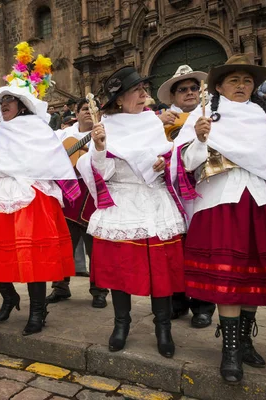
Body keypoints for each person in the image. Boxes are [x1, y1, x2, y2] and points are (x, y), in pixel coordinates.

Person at [179, 54, 266, 384]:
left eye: (247, 81)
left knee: (256, 274)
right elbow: (187, 163)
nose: (242, 86)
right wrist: (200, 138)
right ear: (219, 86)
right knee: (230, 279)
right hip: (222, 201)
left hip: (262, 201)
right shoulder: (205, 114)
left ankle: (246, 341)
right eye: (234, 80)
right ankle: (230, 350)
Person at [0, 42, 78, 336]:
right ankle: (9, 297)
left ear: (23, 105)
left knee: (33, 260)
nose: (4, 105)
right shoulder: (1, 131)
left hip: (33, 197)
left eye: (9, 101)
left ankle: (38, 311)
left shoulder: (39, 129)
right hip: (4, 195)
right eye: (2, 101)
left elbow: (48, 162)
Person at [76, 66, 187, 359]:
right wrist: (99, 149)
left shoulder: (152, 122)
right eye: (136, 90)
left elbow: (170, 156)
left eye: (143, 89)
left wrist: (166, 165)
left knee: (160, 270)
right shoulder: (106, 127)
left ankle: (163, 328)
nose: (143, 95)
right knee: (121, 270)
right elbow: (100, 173)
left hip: (155, 202)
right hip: (123, 204)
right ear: (119, 99)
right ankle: (121, 324)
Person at [156, 65, 217, 328]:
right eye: (183, 89)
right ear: (173, 96)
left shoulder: (216, 117)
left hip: (204, 191)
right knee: (175, 250)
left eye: (194, 88)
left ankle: (203, 305)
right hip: (171, 195)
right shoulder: (160, 122)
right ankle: (177, 300)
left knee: (203, 250)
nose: (190, 92)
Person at [47, 97, 110, 309]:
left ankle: (99, 291)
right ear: (76, 111)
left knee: (97, 250)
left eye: (92, 110)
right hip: (70, 197)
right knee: (63, 245)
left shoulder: (106, 134)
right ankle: (60, 287)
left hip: (94, 196)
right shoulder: (64, 135)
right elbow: (53, 157)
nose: (88, 113)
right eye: (84, 109)